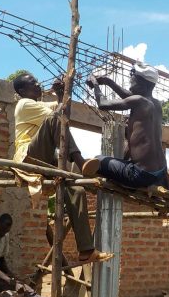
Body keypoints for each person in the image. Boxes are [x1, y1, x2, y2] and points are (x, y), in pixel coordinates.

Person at [12, 73, 112, 264]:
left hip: (45, 159)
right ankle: (81, 162)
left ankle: (86, 249)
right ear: (22, 91)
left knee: (76, 189)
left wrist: (64, 91)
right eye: (32, 82)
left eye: (36, 80)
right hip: (28, 157)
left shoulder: (39, 105)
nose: (38, 83)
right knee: (54, 120)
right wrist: (60, 94)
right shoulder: (24, 104)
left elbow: (64, 111)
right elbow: (57, 117)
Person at [84, 62, 169, 190]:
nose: (130, 80)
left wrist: (95, 84)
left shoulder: (138, 101)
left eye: (133, 77)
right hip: (160, 173)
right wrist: (109, 82)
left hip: (140, 175)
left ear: (143, 83)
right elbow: (128, 96)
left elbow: (102, 103)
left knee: (99, 160)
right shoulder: (156, 104)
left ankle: (91, 182)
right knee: (120, 161)